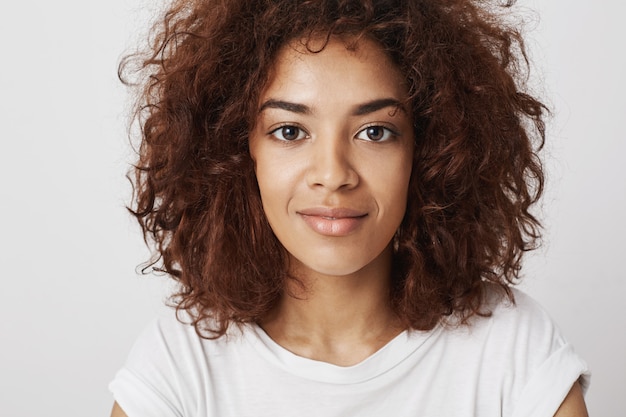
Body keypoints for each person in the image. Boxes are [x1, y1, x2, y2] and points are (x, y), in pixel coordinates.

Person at [109, 0, 590, 416]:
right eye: (290, 131)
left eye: (375, 132)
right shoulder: (182, 362)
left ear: (428, 151)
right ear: (238, 150)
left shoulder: (512, 350)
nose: (334, 173)